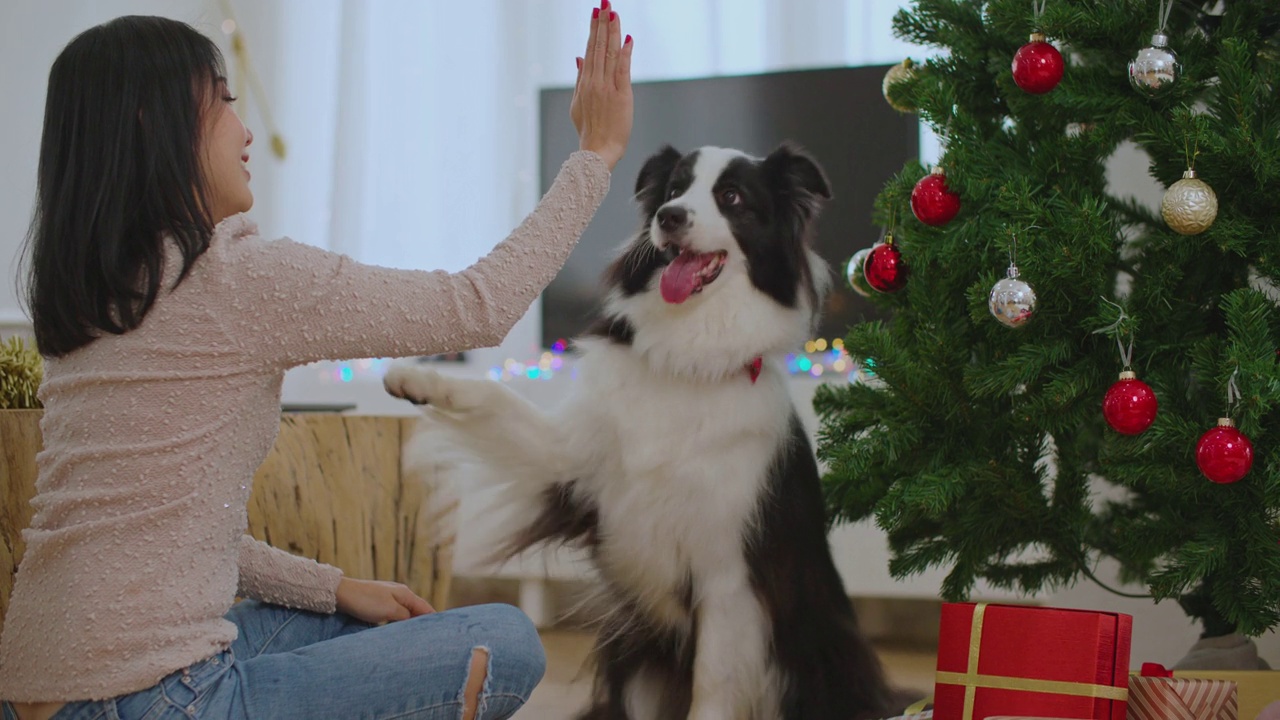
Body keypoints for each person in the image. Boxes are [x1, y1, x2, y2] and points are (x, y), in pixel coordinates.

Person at [0, 2, 633, 718]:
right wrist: (596, 155)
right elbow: (478, 305)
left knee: (344, 619)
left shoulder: (97, 303)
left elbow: (179, 537)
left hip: (41, 695)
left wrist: (334, 588)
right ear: (156, 124)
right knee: (507, 640)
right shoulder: (238, 280)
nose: (244, 132)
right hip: (155, 701)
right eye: (223, 104)